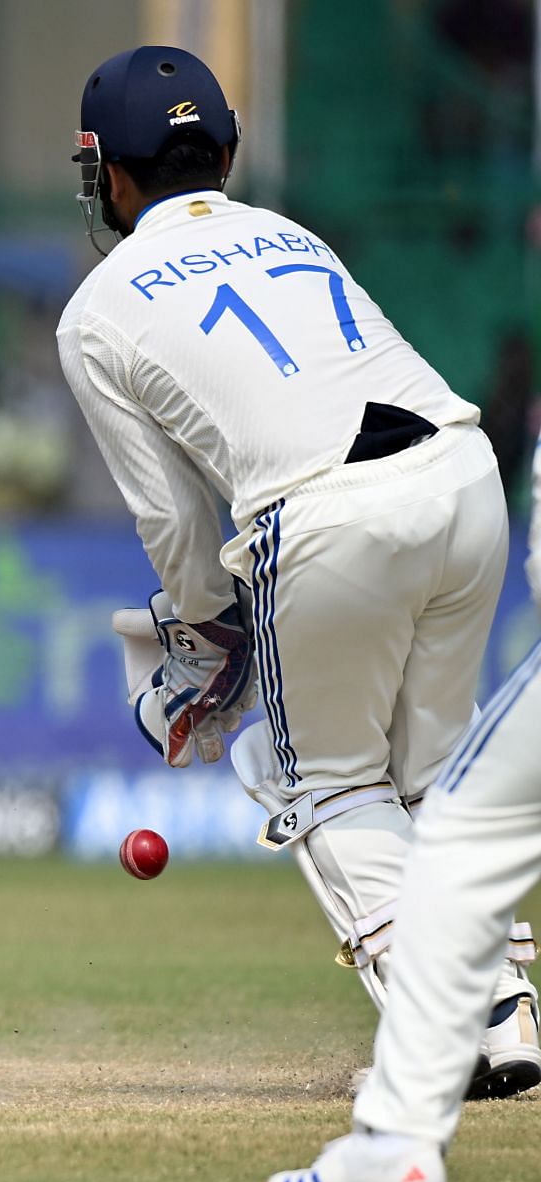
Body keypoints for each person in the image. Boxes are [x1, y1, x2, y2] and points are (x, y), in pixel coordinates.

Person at [56, 47, 537, 1094]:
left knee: (311, 772)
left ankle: (453, 1025)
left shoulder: (97, 311)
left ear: (108, 175)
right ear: (225, 148)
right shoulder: (285, 230)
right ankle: (504, 1009)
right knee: (426, 773)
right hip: (462, 474)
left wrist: (201, 639)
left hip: (327, 514)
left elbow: (172, 519)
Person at [263, 453, 541, 1182]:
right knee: (455, 806)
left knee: (457, 822)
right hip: (457, 489)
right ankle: (496, 1021)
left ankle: (405, 1136)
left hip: (363, 507)